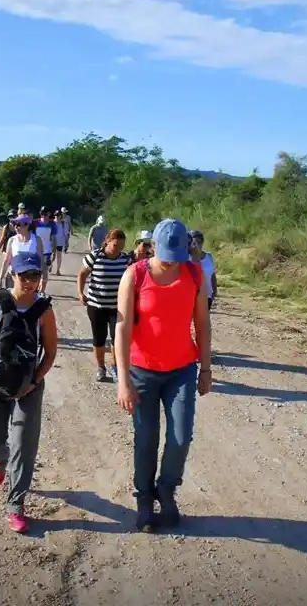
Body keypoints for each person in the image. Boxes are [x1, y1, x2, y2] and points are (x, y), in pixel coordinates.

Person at [114, 218, 212, 532]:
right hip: (142, 371)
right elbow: (123, 327)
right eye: (166, 253)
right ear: (153, 245)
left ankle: (166, 490)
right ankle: (144, 500)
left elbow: (203, 324)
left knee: (181, 437)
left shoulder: (194, 273)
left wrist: (206, 368)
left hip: (181, 370)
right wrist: (123, 380)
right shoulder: (136, 274)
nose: (172, 261)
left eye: (177, 253)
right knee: (146, 440)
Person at [0, 251, 58, 534]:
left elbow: (51, 352)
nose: (30, 281)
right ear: (12, 275)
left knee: (24, 446)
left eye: (35, 276)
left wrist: (35, 380)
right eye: (24, 276)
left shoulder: (44, 310)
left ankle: (16, 504)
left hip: (28, 388)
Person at [77, 228, 131, 382]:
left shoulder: (125, 259)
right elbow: (82, 274)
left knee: (117, 338)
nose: (118, 250)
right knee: (99, 338)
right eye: (115, 245)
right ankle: (101, 367)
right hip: (96, 306)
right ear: (107, 241)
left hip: (118, 308)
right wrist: (81, 293)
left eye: (121, 246)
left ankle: (115, 366)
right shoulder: (95, 256)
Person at [0, 213, 49, 294]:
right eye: (14, 224)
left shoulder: (36, 240)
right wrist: (0, 279)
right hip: (13, 276)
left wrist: (44, 277)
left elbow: (41, 260)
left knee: (28, 303)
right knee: (12, 302)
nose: (15, 227)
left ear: (27, 225)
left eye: (18, 224)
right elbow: (7, 260)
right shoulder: (12, 240)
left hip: (31, 278)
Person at [189, 230, 218, 310]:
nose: (196, 245)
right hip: (190, 296)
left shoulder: (209, 257)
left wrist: (214, 291)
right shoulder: (186, 258)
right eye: (193, 243)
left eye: (198, 242)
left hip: (207, 296)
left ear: (202, 243)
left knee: (202, 321)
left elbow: (212, 274)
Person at [35, 207, 57, 272]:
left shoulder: (52, 224)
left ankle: (47, 269)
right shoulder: (35, 223)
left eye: (45, 214)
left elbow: (54, 238)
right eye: (42, 214)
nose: (44, 216)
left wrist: (54, 251)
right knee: (37, 269)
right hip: (37, 250)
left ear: (49, 214)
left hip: (47, 250)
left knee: (44, 268)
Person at [52, 209, 67, 275]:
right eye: (56, 215)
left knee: (59, 256)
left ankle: (58, 270)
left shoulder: (63, 224)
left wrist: (66, 242)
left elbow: (65, 233)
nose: (57, 217)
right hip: (52, 242)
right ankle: (50, 265)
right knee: (52, 256)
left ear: (61, 216)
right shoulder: (51, 223)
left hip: (60, 242)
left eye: (58, 215)